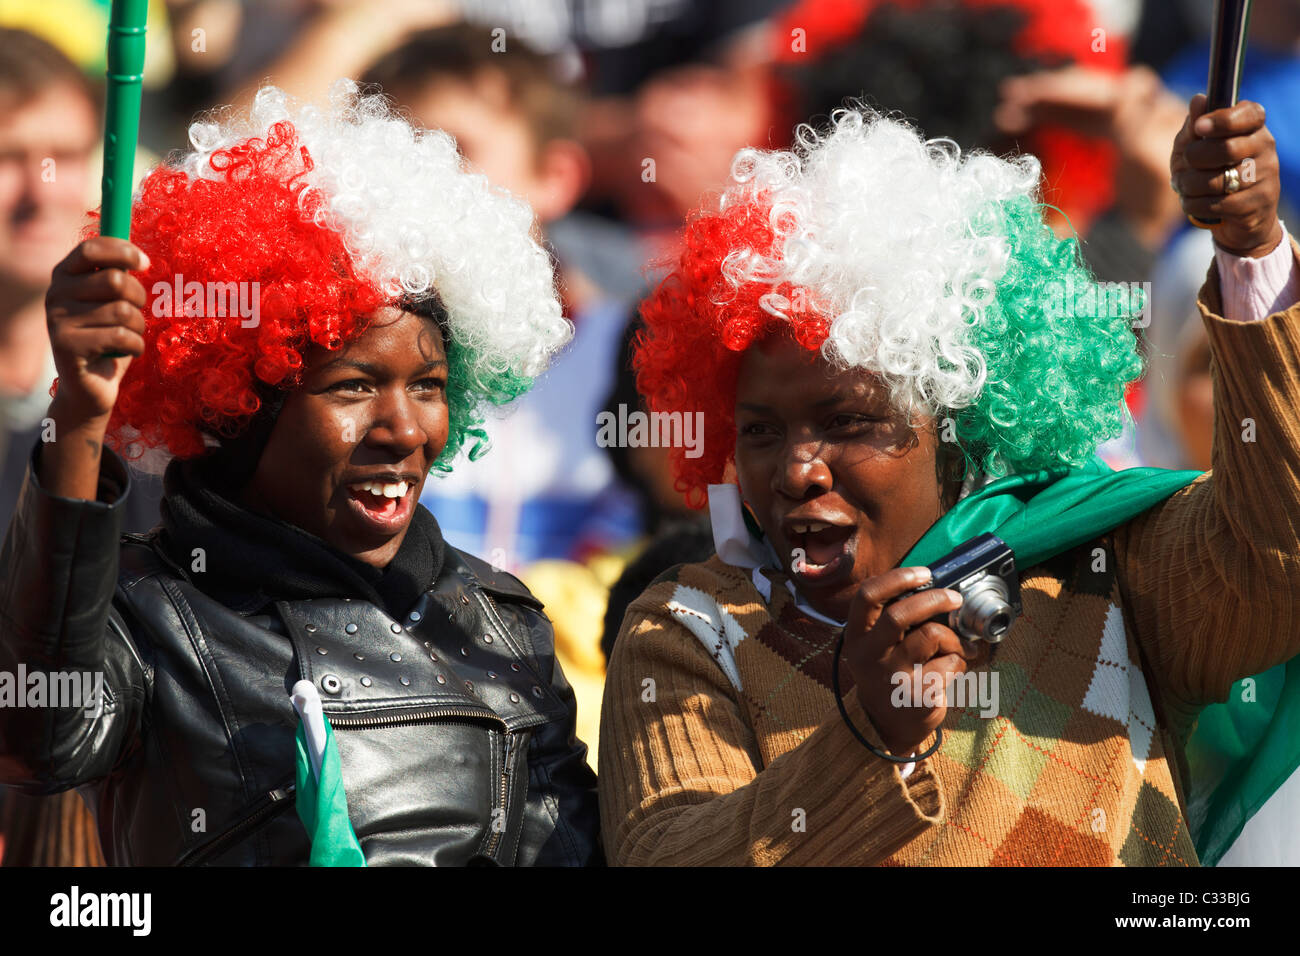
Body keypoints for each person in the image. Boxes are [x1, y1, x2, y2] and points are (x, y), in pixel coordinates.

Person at [597, 97, 1300, 865]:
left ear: (961, 424)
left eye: (849, 422)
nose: (798, 468)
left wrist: (1251, 249)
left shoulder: (1103, 563)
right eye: (761, 431)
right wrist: (872, 739)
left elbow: (1277, 561)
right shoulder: (691, 628)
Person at [0, 81, 600, 866]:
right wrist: (79, 414)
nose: (404, 429)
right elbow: (39, 735)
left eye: (427, 386)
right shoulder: (147, 616)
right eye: (353, 386)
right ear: (236, 405)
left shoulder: (502, 623)